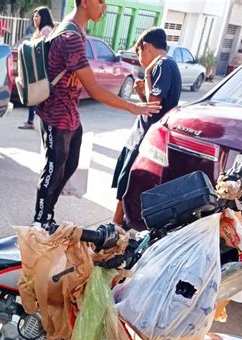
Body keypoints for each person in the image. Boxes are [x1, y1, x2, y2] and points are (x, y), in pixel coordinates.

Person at [33, 0, 161, 229]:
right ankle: (39, 222)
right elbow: (93, 89)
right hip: (56, 116)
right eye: (100, 1)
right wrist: (132, 107)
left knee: (68, 167)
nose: (104, 6)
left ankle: (47, 217)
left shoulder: (78, 32)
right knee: (52, 172)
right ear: (84, 2)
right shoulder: (70, 37)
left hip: (70, 114)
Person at [112, 27, 182, 227]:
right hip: (145, 132)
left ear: (146, 46)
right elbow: (151, 105)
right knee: (129, 180)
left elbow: (154, 103)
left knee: (128, 181)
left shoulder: (162, 65)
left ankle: (115, 227)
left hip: (146, 136)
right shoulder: (166, 65)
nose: (140, 60)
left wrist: (149, 76)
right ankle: (120, 224)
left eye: (138, 53)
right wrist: (142, 94)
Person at [19, 6, 55, 131]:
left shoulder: (46, 30)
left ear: (43, 17)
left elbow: (48, 50)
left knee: (39, 96)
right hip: (37, 70)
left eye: (37, 16)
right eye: (34, 16)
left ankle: (37, 122)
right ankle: (32, 121)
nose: (35, 18)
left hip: (43, 71)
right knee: (36, 95)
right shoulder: (39, 30)